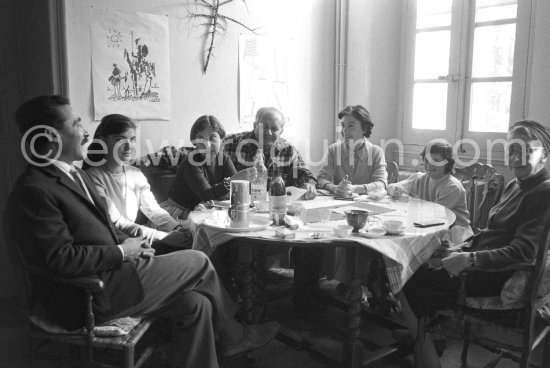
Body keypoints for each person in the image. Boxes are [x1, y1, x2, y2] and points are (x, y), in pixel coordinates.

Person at [7, 95, 280, 368]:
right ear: (51, 137)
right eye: (76, 123)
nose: (85, 131)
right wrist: (122, 251)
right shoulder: (36, 189)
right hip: (92, 293)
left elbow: (105, 228)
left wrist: (134, 246)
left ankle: (222, 345)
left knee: (197, 304)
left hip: (119, 271)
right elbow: (59, 259)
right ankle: (236, 336)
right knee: (199, 261)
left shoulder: (73, 175)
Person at [400, 120, 550, 368]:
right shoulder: (516, 185)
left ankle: (425, 350)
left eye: (526, 149)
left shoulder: (543, 192)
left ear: (544, 153)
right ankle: (424, 334)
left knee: (407, 277)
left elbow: (524, 252)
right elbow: (492, 233)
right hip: (480, 261)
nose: (516, 157)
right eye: (512, 149)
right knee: (416, 265)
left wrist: (469, 260)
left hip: (495, 275)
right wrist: (460, 248)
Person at [84, 114, 190, 247]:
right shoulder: (91, 177)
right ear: (102, 141)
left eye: (132, 139)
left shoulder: (135, 173)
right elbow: (118, 223)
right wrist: (164, 237)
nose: (128, 146)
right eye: (120, 139)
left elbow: (153, 210)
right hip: (112, 246)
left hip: (135, 241)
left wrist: (176, 228)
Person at [161, 115, 257, 221]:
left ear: (221, 139)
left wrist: (237, 183)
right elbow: (206, 195)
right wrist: (232, 181)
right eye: (201, 138)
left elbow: (235, 190)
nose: (207, 144)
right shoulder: (191, 162)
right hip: (180, 212)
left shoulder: (223, 158)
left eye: (212, 138)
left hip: (204, 209)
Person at [223, 107, 317, 199]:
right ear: (255, 126)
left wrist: (308, 185)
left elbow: (305, 175)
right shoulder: (231, 144)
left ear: (281, 132)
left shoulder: (289, 150)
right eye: (264, 127)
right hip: (238, 206)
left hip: (275, 208)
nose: (268, 132)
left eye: (274, 129)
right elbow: (216, 183)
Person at [387, 141, 471, 229]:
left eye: (436, 161)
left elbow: (433, 215)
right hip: (429, 227)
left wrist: (409, 203)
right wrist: (396, 191)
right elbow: (390, 187)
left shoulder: (452, 187)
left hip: (455, 233)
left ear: (447, 164)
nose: (429, 165)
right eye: (427, 160)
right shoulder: (419, 178)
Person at [317, 105, 387, 196]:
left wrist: (355, 189)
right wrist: (334, 188)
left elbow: (381, 183)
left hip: (366, 205)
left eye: (351, 126)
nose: (344, 131)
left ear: (364, 128)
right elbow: (322, 179)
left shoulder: (376, 152)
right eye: (343, 125)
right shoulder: (333, 150)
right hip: (338, 204)